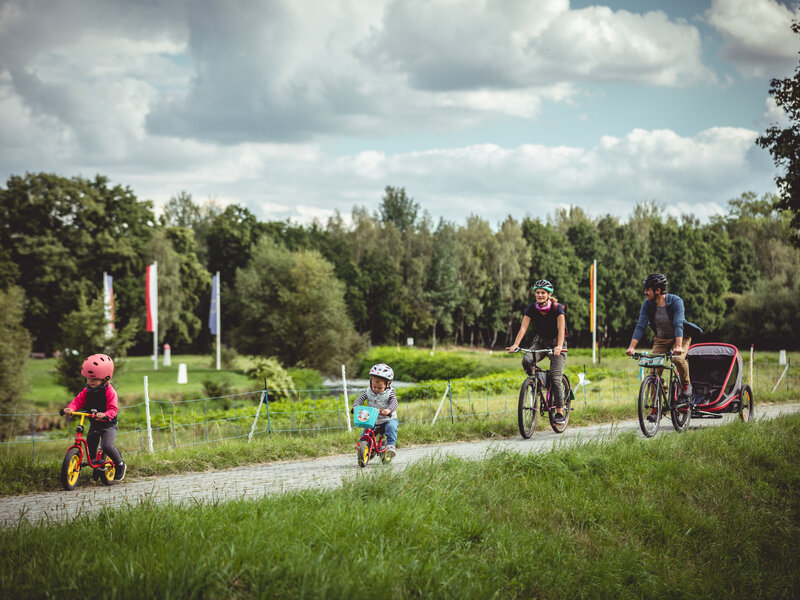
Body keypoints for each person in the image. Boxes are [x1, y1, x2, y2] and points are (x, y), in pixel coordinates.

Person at [625, 273, 703, 415]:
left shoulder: (676, 301)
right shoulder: (647, 305)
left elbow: (678, 323)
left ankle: (685, 385)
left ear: (658, 291)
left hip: (681, 337)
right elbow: (641, 325)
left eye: (648, 289)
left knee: (677, 359)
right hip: (661, 338)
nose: (645, 292)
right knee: (654, 370)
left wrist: (678, 346)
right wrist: (632, 347)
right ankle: (658, 405)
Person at [506, 279, 568, 423]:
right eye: (537, 292)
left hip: (557, 343)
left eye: (543, 293)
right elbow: (523, 328)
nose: (540, 295)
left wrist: (559, 346)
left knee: (555, 376)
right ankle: (537, 381)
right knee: (527, 360)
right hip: (540, 342)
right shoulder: (531, 308)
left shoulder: (557, 308)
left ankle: (559, 411)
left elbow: (561, 329)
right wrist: (516, 344)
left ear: (548, 294)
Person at [63, 353, 126, 481]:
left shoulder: (110, 392)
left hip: (109, 425)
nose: (90, 382)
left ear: (105, 378)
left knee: (106, 445)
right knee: (91, 442)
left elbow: (113, 409)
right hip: (94, 423)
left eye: (94, 379)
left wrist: (105, 414)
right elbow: (78, 401)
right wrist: (71, 408)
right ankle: (96, 466)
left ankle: (120, 465)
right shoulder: (87, 390)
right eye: (88, 379)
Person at [352, 363, 399, 461]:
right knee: (366, 434)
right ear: (370, 382)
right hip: (373, 420)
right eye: (374, 386)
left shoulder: (390, 393)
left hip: (388, 419)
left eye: (380, 387)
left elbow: (394, 403)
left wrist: (388, 410)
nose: (376, 389)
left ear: (388, 383)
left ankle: (390, 447)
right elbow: (360, 399)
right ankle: (366, 448)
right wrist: (355, 406)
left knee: (391, 427)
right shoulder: (368, 391)